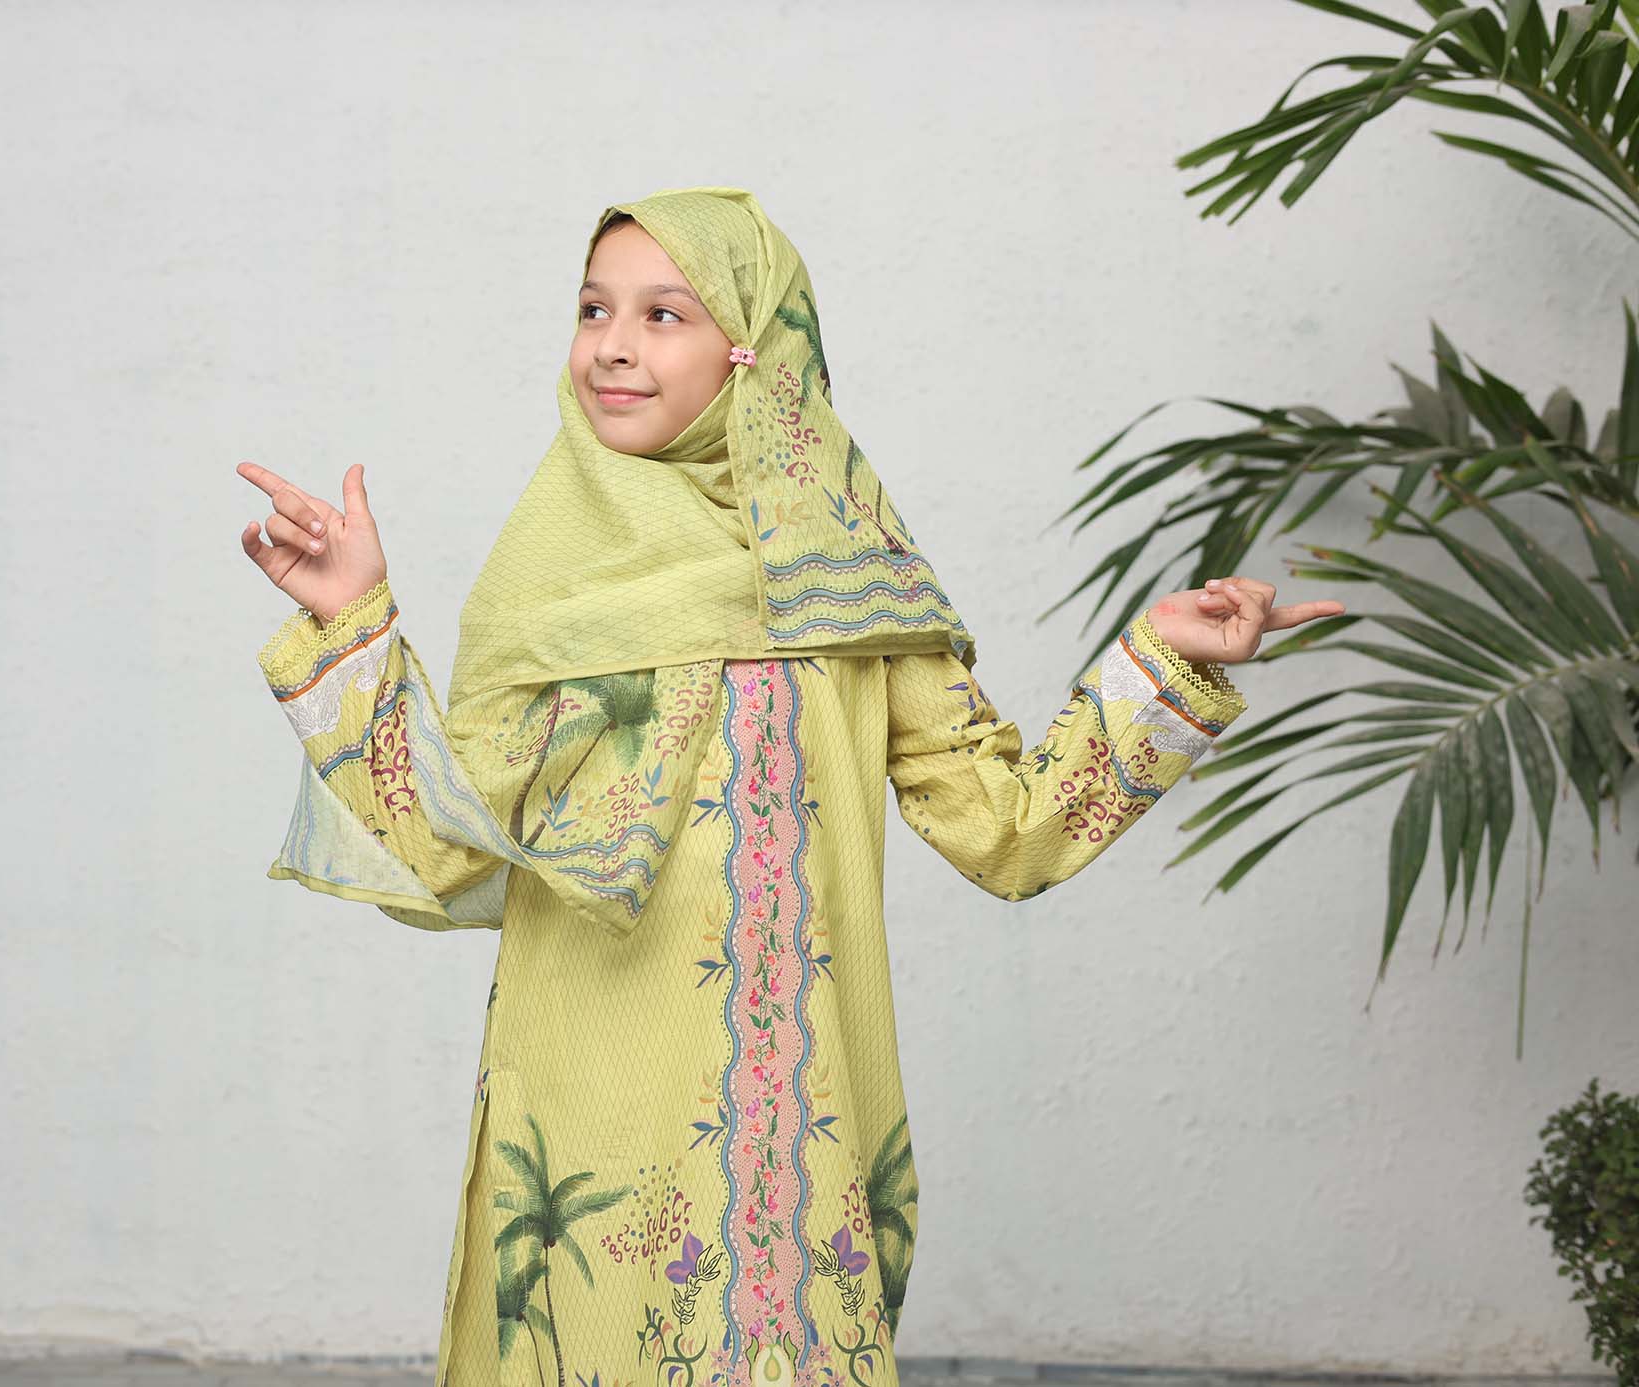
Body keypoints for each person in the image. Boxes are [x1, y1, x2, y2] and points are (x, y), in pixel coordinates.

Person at [238, 186, 1345, 1387]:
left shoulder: (853, 582)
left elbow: (1008, 832)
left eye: (664, 313)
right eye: (594, 309)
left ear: (754, 349)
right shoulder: (552, 586)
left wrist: (1162, 660)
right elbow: (442, 844)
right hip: (588, 1115)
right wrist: (351, 620)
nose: (612, 345)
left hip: (798, 1116)